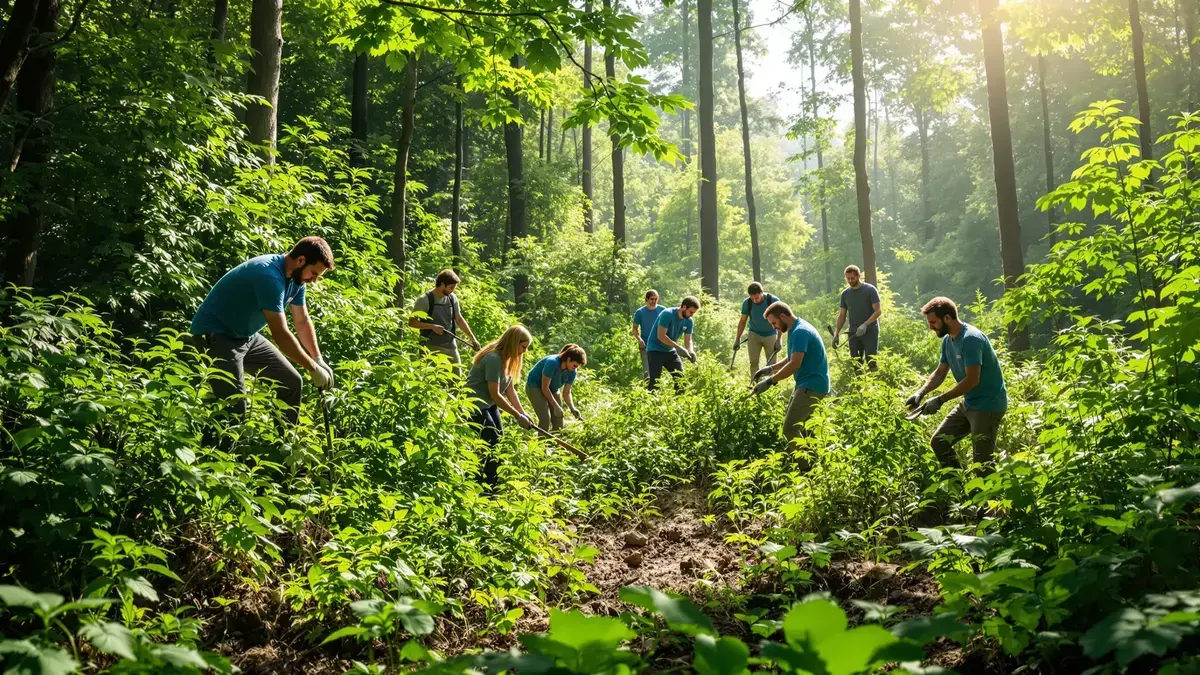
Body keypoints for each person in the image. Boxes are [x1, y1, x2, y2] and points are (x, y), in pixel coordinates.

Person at [189, 236, 335, 424]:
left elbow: (302, 321)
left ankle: (284, 441)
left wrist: (317, 359)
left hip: (245, 336)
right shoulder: (269, 276)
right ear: (301, 260)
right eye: (314, 273)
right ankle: (214, 443)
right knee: (234, 408)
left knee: (291, 383)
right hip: (216, 335)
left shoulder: (297, 280)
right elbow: (281, 335)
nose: (314, 280)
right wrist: (312, 368)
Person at [905, 297, 1008, 471]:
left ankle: (989, 489)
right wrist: (920, 393)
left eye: (933, 322)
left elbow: (972, 380)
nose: (930, 327)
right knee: (939, 442)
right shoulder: (948, 340)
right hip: (969, 403)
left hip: (988, 406)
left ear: (947, 318)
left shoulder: (971, 339)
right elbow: (940, 372)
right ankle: (958, 485)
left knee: (982, 465)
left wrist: (940, 400)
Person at [752, 301, 830, 444]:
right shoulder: (795, 329)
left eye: (774, 323)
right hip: (807, 384)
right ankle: (813, 456)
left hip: (811, 385)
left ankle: (805, 460)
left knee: (790, 429)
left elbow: (794, 364)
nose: (773, 327)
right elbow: (792, 357)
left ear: (782, 316)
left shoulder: (800, 332)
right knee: (804, 429)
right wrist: (770, 369)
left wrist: (770, 381)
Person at [465, 325, 534, 483]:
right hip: (474, 404)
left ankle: (491, 482)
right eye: (524, 347)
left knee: (499, 441)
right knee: (491, 440)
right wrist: (517, 416)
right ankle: (480, 482)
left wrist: (522, 412)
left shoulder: (507, 359)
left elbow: (509, 389)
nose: (524, 351)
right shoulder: (493, 359)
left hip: (488, 404)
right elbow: (495, 394)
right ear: (514, 343)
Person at [409, 269, 480, 373]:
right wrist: (432, 327)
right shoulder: (424, 300)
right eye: (451, 287)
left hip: (450, 345)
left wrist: (472, 338)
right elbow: (412, 322)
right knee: (434, 378)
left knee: (457, 378)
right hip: (430, 346)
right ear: (442, 284)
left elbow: (459, 319)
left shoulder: (452, 298)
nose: (452, 291)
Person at [525, 344, 586, 431]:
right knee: (545, 418)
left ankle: (554, 439)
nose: (575, 368)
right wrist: (555, 406)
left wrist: (572, 408)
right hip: (535, 386)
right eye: (575, 365)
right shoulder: (552, 363)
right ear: (568, 359)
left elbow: (567, 392)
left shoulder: (572, 371)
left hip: (553, 389)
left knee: (559, 419)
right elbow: (544, 387)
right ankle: (541, 439)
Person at [833, 265, 882, 370]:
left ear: (859, 276)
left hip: (870, 331)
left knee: (871, 361)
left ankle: (876, 379)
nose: (850, 281)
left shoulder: (870, 290)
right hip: (854, 332)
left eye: (852, 278)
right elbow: (842, 316)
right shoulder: (845, 294)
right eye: (848, 279)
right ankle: (859, 380)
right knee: (856, 362)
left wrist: (865, 325)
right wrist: (836, 333)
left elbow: (878, 311)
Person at [646, 296, 701, 389]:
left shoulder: (689, 321)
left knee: (681, 380)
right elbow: (661, 336)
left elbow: (688, 339)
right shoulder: (667, 314)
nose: (692, 315)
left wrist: (690, 350)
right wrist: (678, 347)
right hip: (655, 350)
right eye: (691, 312)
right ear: (684, 307)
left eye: (694, 313)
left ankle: (679, 397)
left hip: (670, 351)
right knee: (655, 382)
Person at [734, 281, 782, 378]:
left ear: (762, 292)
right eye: (752, 298)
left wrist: (778, 340)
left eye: (757, 298)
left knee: (772, 364)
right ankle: (754, 383)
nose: (755, 300)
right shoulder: (747, 303)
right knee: (753, 362)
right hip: (754, 334)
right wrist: (737, 338)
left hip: (771, 334)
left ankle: (771, 383)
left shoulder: (773, 301)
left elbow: (780, 321)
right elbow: (743, 321)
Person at [631, 290, 666, 380]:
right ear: (647, 299)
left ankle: (657, 387)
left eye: (655, 299)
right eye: (652, 299)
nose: (654, 301)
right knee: (647, 370)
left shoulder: (663, 310)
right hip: (645, 344)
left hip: (660, 344)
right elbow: (634, 328)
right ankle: (646, 387)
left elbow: (668, 326)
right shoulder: (640, 312)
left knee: (658, 370)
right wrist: (639, 339)